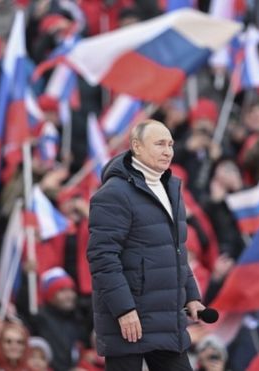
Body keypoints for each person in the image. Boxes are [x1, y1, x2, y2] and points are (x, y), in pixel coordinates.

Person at [87, 119, 205, 370]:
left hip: (167, 320)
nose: (168, 151)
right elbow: (102, 257)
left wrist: (191, 295)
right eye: (160, 144)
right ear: (136, 147)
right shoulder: (113, 194)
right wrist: (124, 310)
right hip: (129, 322)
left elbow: (176, 252)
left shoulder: (172, 188)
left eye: (171, 144)